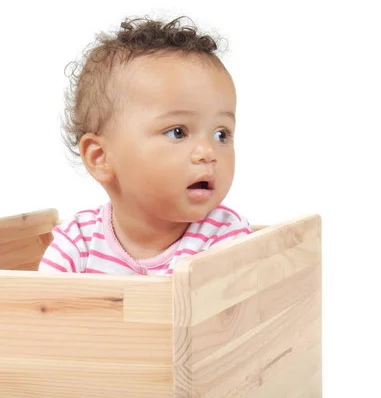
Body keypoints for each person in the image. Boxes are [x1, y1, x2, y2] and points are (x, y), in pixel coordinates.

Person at [39, 16, 252, 275]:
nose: (208, 152)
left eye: (221, 135)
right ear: (100, 157)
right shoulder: (78, 242)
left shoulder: (226, 241)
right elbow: (44, 308)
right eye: (178, 132)